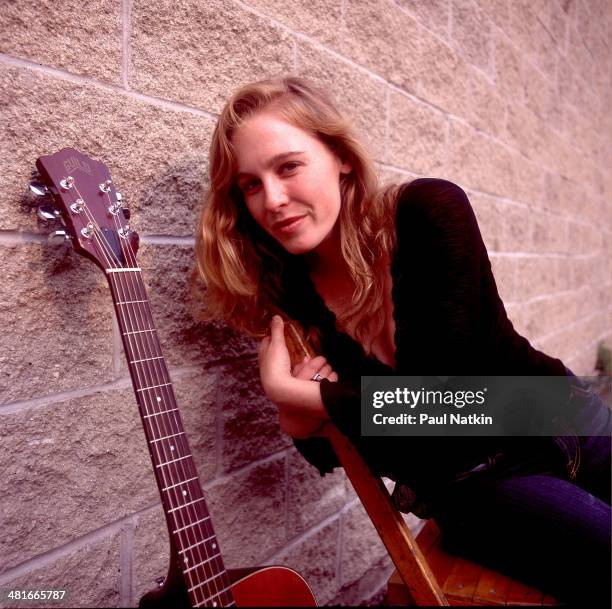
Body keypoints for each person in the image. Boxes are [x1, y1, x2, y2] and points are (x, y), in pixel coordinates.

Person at [194, 77, 611, 605]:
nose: (272, 200)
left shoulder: (428, 211)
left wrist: (302, 397)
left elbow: (452, 405)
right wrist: (299, 423)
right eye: (250, 185)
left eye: (289, 166)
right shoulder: (290, 306)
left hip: (566, 414)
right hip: (479, 489)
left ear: (340, 157)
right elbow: (342, 451)